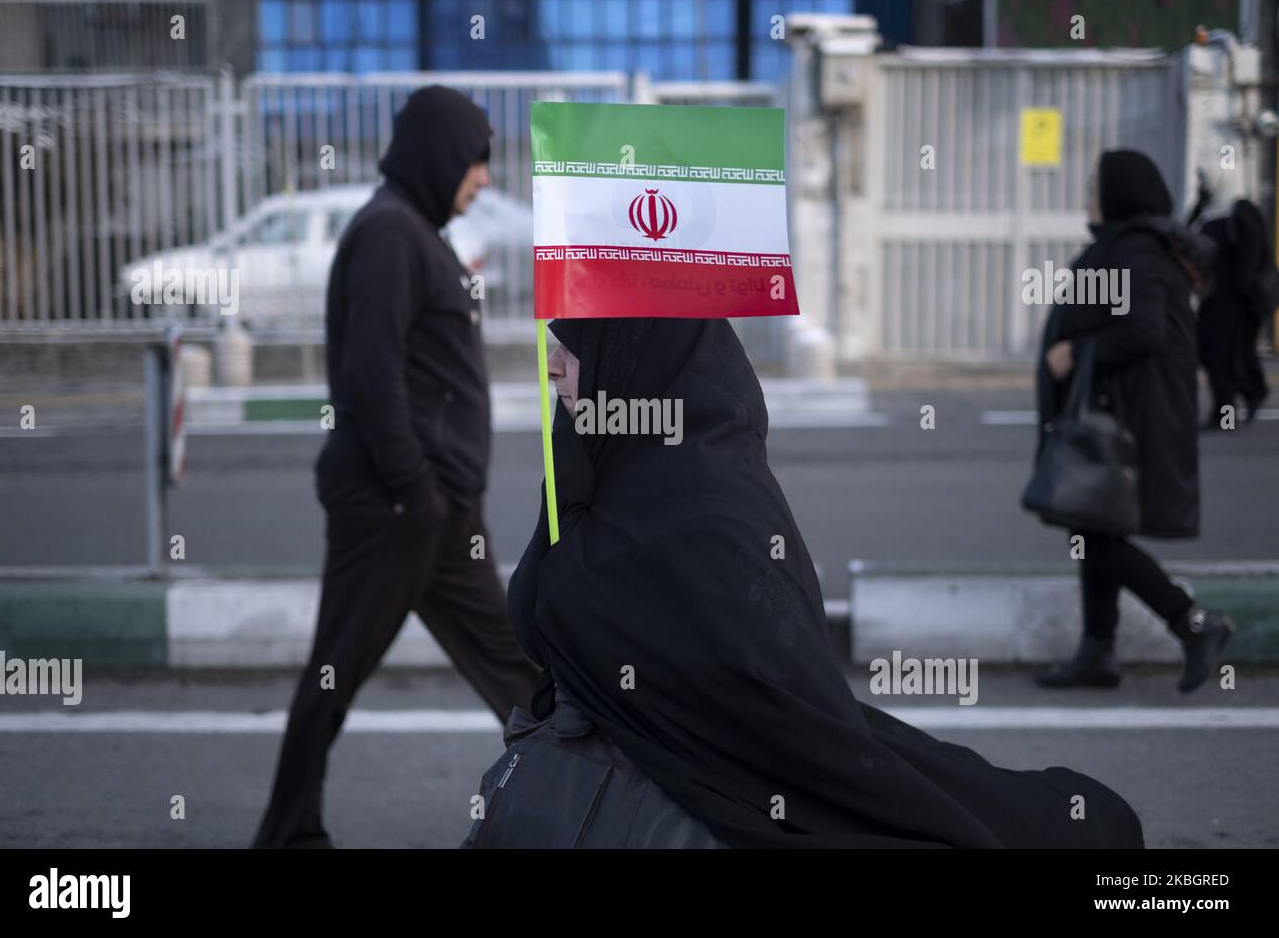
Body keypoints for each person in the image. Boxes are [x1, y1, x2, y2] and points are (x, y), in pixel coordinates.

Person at [462, 317, 1144, 848]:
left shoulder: (710, 511)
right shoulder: (602, 464)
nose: (552, 360)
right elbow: (541, 609)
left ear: (634, 364)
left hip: (714, 796)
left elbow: (753, 700)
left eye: (575, 343)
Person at [253, 86, 541, 848]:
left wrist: (436, 498)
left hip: (436, 511)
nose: (482, 180)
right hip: (396, 505)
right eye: (475, 163)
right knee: (335, 672)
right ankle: (286, 833)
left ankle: (571, 815)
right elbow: (371, 370)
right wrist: (416, 489)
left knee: (517, 672)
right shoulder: (388, 233)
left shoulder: (417, 231)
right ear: (440, 156)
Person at [1032, 149, 1234, 692]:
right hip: (1119, 414)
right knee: (1093, 524)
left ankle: (1193, 623)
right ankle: (1098, 651)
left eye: (1094, 188)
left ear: (1120, 192)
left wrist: (1074, 354)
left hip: (1127, 420)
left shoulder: (1138, 252)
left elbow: (1143, 330)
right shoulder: (1126, 245)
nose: (1085, 199)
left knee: (1095, 532)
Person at [1197, 198, 1272, 426]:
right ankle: (1247, 396)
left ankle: (1227, 415)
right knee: (1230, 361)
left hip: (1226, 306)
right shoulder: (1244, 227)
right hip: (1239, 306)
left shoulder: (1221, 225)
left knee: (1223, 363)